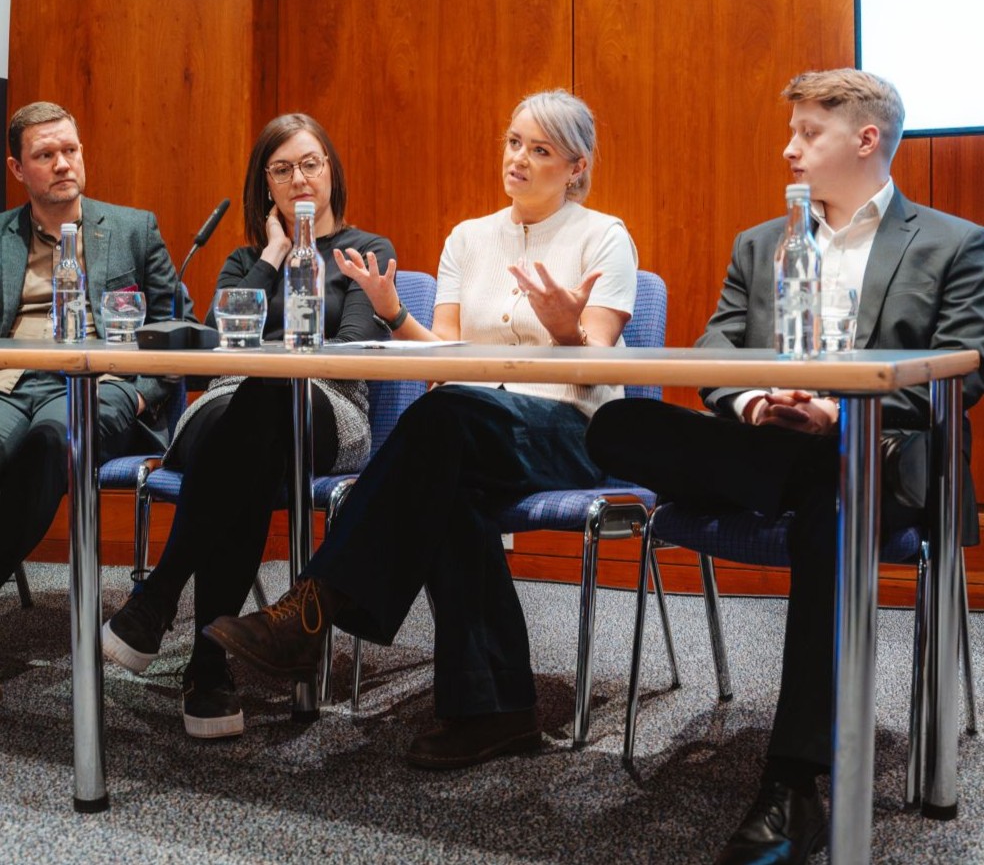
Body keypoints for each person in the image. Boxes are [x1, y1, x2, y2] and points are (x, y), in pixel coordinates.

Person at [585, 69, 984, 865]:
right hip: (772, 445)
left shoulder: (951, 243)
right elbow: (713, 356)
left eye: (808, 132)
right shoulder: (762, 243)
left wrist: (840, 415)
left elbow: (964, 371)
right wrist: (757, 402)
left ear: (866, 139)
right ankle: (795, 464)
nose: (788, 148)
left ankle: (792, 780)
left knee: (829, 496)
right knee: (619, 425)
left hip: (879, 460)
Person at [202, 88, 639, 768]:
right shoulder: (469, 237)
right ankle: (496, 713)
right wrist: (393, 313)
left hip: (568, 429)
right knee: (447, 479)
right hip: (470, 428)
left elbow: (597, 361)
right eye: (513, 141)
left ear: (575, 167)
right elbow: (447, 360)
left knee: (441, 427)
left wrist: (566, 333)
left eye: (540, 150)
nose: (518, 159)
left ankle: (312, 606)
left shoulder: (605, 236)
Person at [101, 112, 396, 740]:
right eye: (282, 169)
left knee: (269, 395)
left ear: (331, 169)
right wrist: (272, 254)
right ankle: (206, 668)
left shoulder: (367, 252)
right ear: (265, 185)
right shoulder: (245, 259)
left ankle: (159, 601)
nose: (298, 179)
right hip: (228, 407)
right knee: (252, 437)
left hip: (328, 408)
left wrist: (275, 348)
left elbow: (355, 347)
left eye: (309, 163)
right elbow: (222, 345)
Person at [0, 101, 183, 587]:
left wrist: (144, 392)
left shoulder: (132, 230)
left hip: (100, 383)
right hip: (11, 382)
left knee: (54, 442)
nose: (62, 163)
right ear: (17, 168)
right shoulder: (1, 237)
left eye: (70, 150)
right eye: (45, 155)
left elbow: (175, 325)